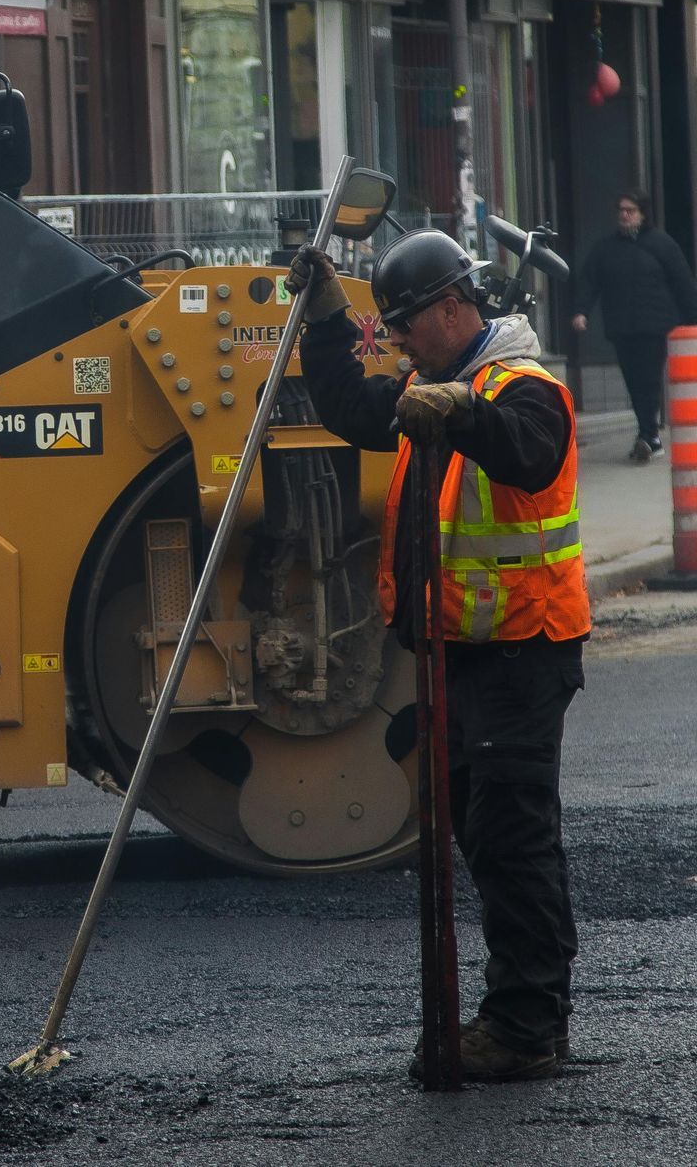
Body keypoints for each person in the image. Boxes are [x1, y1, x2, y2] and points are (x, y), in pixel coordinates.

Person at [288, 231, 588, 1084]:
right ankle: (526, 1015)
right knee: (488, 835)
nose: (398, 341)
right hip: (465, 652)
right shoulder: (434, 383)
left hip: (522, 652)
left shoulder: (524, 388)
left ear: (453, 308)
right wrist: (325, 318)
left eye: (406, 324)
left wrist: (458, 412)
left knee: (511, 836)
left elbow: (526, 450)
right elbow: (351, 406)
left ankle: (526, 1024)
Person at [569, 189, 697, 461]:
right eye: (621, 211)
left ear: (642, 214)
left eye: (631, 210)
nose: (625, 215)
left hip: (655, 326)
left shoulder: (662, 244)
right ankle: (648, 434)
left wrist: (691, 320)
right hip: (622, 327)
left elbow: (682, 282)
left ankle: (648, 435)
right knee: (634, 381)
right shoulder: (605, 249)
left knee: (649, 380)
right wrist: (581, 311)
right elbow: (589, 281)